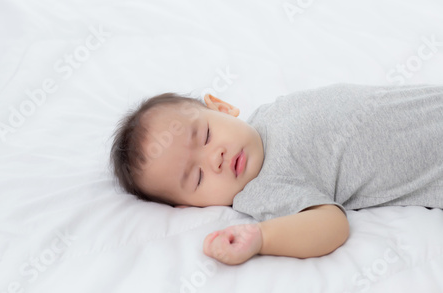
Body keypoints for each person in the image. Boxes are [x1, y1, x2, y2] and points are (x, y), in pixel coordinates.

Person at [110, 83, 443, 265]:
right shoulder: (262, 189)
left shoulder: (268, 113)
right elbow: (330, 223)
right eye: (196, 178)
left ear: (221, 107)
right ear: (188, 206)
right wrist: (263, 238)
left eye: (206, 136)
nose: (216, 158)